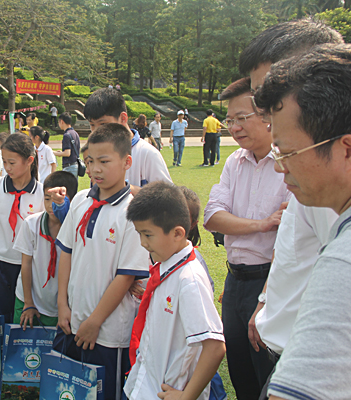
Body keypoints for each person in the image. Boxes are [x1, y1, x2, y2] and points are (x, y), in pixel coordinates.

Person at [238, 19, 343, 400]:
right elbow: (297, 247)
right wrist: (268, 302)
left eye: (272, 91)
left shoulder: (329, 168)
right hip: (282, 340)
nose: (261, 108)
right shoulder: (307, 161)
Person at [204, 77, 290, 400]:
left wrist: (265, 300)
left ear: (266, 115)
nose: (234, 127)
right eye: (230, 120)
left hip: (269, 280)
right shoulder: (233, 162)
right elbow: (213, 217)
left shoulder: (286, 163)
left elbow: (290, 238)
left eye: (242, 118)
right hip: (235, 281)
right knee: (241, 374)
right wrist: (263, 223)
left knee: (269, 377)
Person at [54, 123, 151, 400]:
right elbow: (67, 252)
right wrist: (62, 304)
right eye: (89, 162)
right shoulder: (81, 200)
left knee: (103, 392)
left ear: (126, 162)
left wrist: (95, 322)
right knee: (68, 387)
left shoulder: (133, 211)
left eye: (104, 161)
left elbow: (126, 276)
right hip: (71, 320)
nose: (95, 169)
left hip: (108, 333)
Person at [124, 182, 225, 400]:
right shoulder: (166, 266)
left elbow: (215, 346)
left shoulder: (190, 280)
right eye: (139, 234)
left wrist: (186, 396)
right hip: (146, 385)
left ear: (178, 233)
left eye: (148, 235)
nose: (142, 243)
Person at [0, 133, 45, 323]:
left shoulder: (41, 193)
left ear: (30, 160)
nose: (7, 168)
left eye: (12, 163)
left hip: (26, 265)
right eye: (4, 162)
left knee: (22, 317)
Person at [14, 171, 79, 328]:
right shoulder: (31, 224)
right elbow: (26, 264)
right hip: (27, 298)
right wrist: (28, 303)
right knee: (21, 346)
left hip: (58, 307)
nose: (51, 205)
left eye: (58, 200)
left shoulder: (76, 231)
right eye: (47, 199)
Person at [83, 88, 171, 195]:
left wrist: (127, 190)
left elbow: (169, 199)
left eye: (103, 124)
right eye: (92, 125)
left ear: (123, 118)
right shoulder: (96, 152)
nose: (97, 131)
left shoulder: (147, 153)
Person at [53, 112, 80, 178]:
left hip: (69, 167)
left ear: (62, 122)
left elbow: (67, 153)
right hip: (75, 165)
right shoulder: (75, 133)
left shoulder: (66, 135)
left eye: (59, 122)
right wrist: (61, 152)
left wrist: (53, 153)